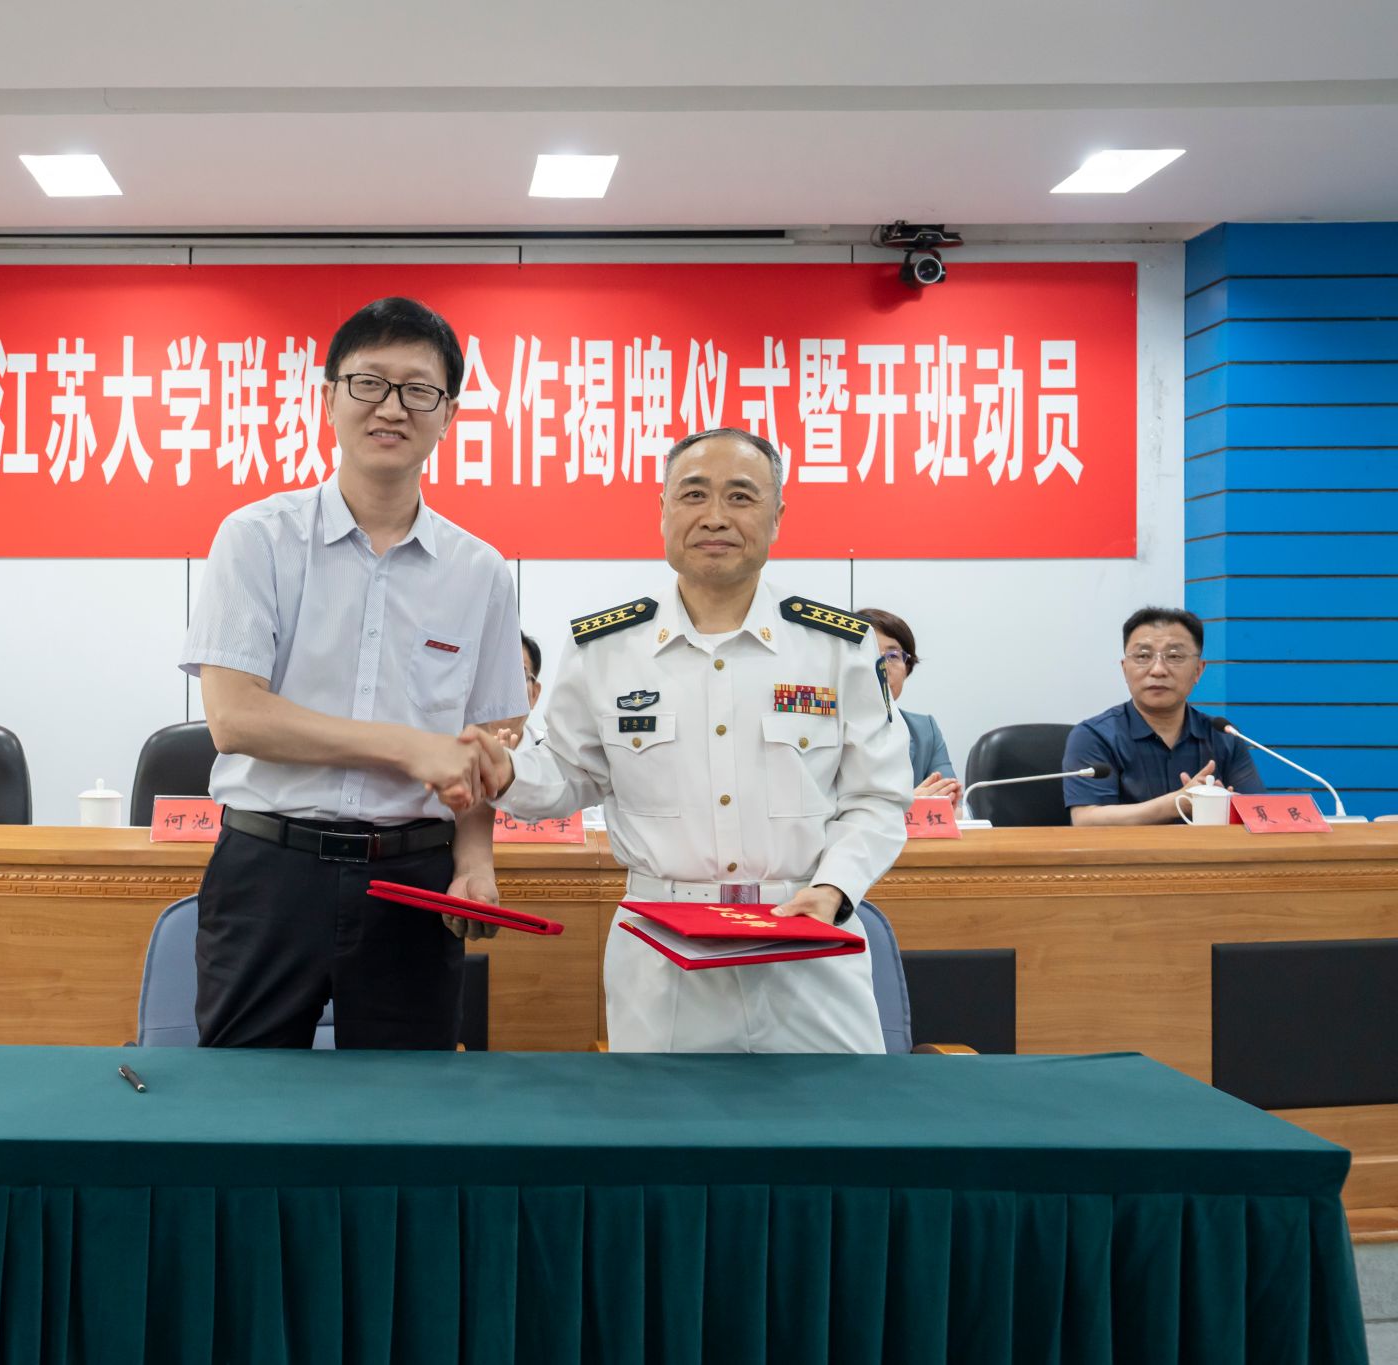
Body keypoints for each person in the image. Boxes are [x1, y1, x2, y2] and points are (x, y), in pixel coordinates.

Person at [463, 428, 910, 1054]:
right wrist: (507, 772)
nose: (715, 517)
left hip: (807, 940)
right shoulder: (606, 649)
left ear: (778, 517)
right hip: (662, 954)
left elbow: (878, 799)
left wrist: (834, 889)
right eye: (694, 494)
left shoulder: (837, 647)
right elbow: (567, 775)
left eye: (741, 497)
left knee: (833, 1114)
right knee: (665, 1118)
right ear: (664, 510)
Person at [180, 297, 529, 1050]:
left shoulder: (480, 572)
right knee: (243, 1097)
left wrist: (474, 861)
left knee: (407, 1105)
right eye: (369, 383)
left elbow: (486, 743)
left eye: (419, 390)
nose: (392, 407)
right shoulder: (257, 539)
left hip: (413, 878)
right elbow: (235, 719)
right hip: (268, 871)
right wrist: (408, 747)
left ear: (449, 414)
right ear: (329, 397)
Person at [1064, 606, 1265, 825]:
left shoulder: (1224, 736)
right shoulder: (1094, 736)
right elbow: (1086, 820)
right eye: (1143, 656)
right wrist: (1178, 802)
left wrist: (1226, 807)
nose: (1158, 670)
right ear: (1125, 669)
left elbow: (1258, 813)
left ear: (1198, 670)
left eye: (1174, 656)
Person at [854, 607, 960, 804]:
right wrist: (908, 806)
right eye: (869, 653)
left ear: (907, 669)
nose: (882, 666)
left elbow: (952, 804)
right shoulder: (826, 729)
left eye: (893, 656)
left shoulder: (925, 730)